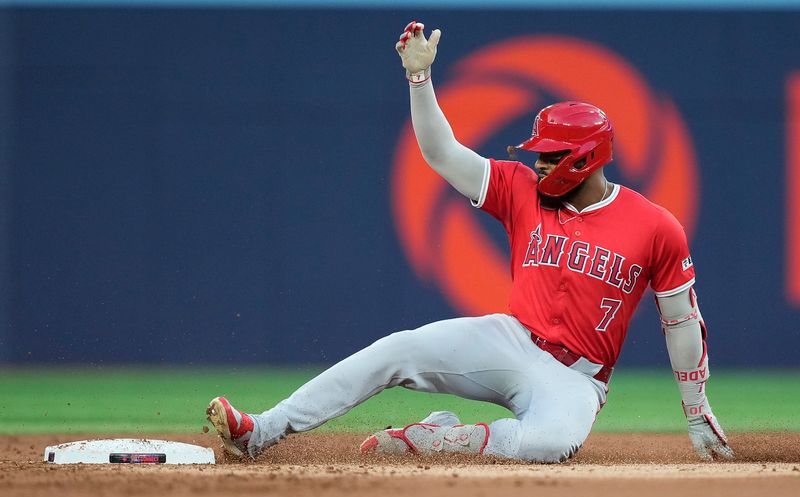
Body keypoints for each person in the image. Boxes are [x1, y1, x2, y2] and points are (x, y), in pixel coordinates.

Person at [205, 21, 733, 463]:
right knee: (398, 349)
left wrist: (696, 407)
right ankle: (260, 431)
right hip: (510, 341)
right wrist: (419, 77)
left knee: (548, 445)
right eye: (538, 152)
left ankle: (442, 438)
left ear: (587, 158)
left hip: (576, 379)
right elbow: (441, 153)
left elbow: (682, 322)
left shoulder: (655, 225)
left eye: (550, 154)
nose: (538, 162)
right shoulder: (520, 189)